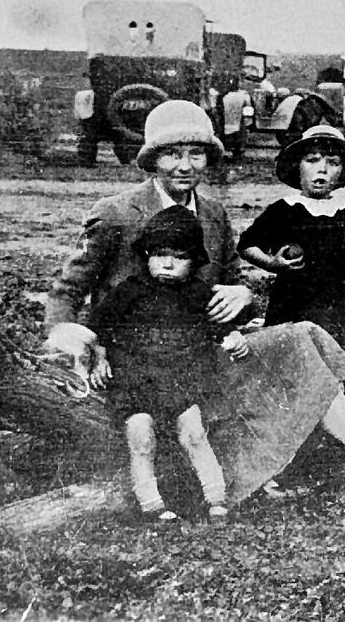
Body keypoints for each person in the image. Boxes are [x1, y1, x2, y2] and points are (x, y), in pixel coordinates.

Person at [44, 100, 345, 502]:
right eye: (172, 154)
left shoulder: (213, 214)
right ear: (151, 160)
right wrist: (74, 340)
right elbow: (67, 291)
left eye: (196, 154)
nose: (185, 166)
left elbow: (235, 284)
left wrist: (243, 296)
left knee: (300, 338)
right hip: (142, 363)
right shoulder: (116, 214)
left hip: (207, 350)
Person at [88, 206, 250, 521]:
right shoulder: (129, 291)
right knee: (140, 435)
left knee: (194, 433)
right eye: (160, 254)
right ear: (147, 255)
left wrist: (234, 337)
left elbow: (221, 327)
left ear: (194, 261)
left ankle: (217, 500)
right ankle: (151, 505)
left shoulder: (198, 293)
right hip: (135, 379)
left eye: (179, 257)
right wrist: (100, 356)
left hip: (182, 378)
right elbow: (99, 327)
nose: (167, 263)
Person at [238, 125, 345, 367]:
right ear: (297, 166)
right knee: (293, 360)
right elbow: (247, 245)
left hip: (340, 301)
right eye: (312, 160)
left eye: (333, 163)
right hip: (295, 300)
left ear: (342, 172)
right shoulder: (284, 210)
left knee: (343, 359)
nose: (322, 169)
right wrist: (272, 263)